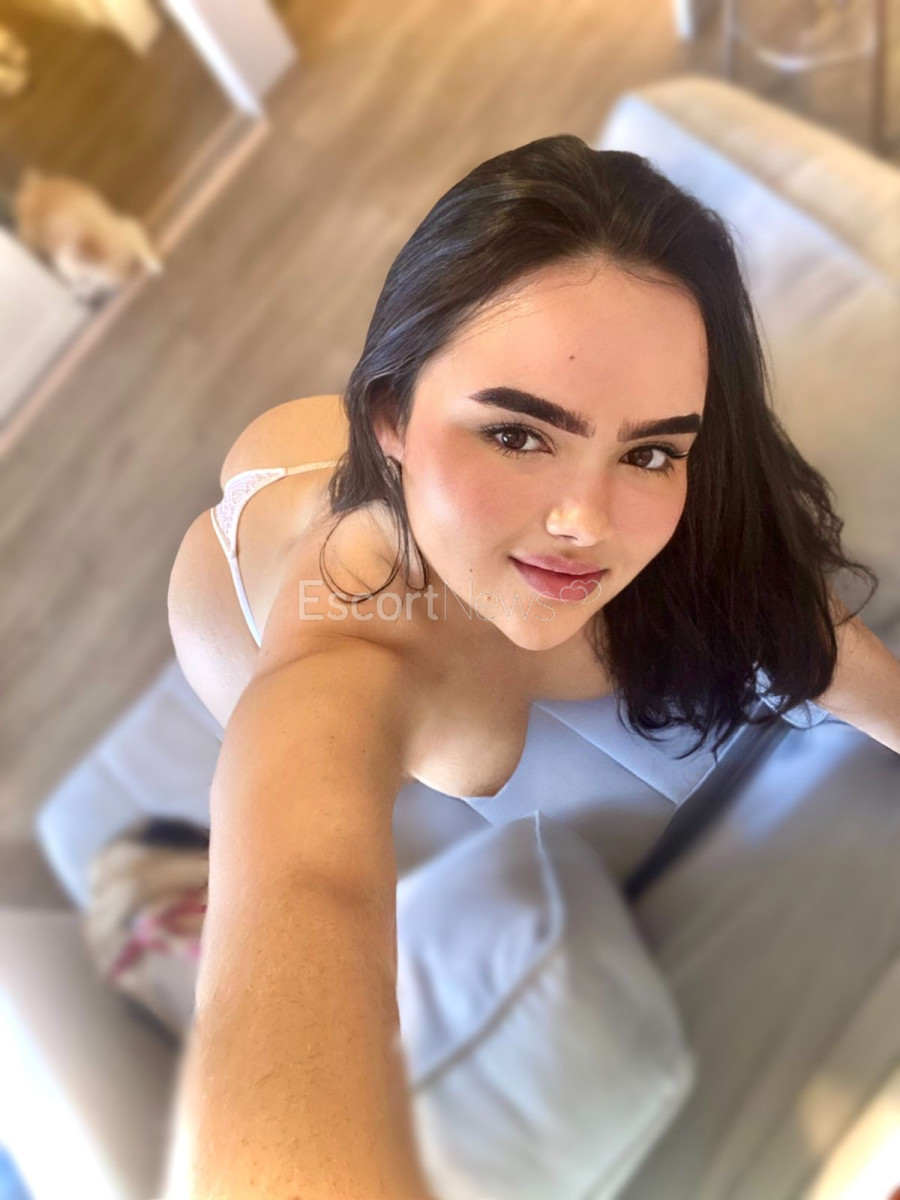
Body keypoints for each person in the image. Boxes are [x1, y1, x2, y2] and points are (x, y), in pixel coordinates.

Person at [164, 134, 899, 1199]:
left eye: (650, 450)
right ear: (394, 415)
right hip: (233, 584)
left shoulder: (636, 504)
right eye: (518, 435)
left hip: (312, 444)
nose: (585, 523)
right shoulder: (351, 658)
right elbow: (305, 884)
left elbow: (785, 614)